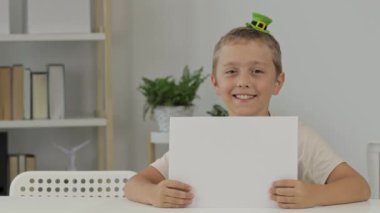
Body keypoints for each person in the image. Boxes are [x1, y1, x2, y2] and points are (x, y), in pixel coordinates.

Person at [125, 12, 370, 209]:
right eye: (231, 71)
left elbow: (359, 186)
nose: (243, 82)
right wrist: (154, 194)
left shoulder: (297, 137)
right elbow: (135, 184)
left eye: (257, 71)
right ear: (216, 83)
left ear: (278, 82)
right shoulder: (199, 139)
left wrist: (315, 194)